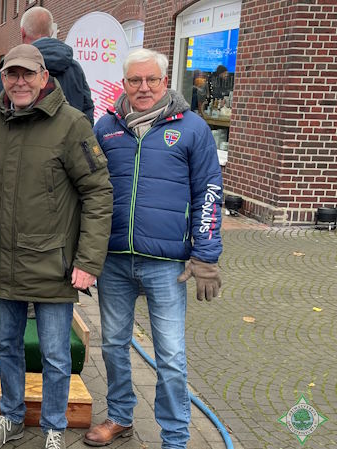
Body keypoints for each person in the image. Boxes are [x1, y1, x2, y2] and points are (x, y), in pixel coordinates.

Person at [0, 44, 113, 449]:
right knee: (7, 348)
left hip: (54, 263)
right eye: (11, 74)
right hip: (2, 259)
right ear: (2, 78)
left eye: (27, 75)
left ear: (43, 78)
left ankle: (54, 426)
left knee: (54, 355)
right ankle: (11, 417)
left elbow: (98, 194)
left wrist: (88, 261)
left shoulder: (72, 125)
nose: (19, 82)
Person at [83, 48, 223, 449]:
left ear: (166, 81)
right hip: (113, 259)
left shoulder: (193, 128)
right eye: (134, 80)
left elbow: (209, 194)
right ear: (123, 82)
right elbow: (89, 193)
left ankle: (176, 437)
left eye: (152, 80)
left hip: (167, 264)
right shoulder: (105, 128)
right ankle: (121, 416)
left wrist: (207, 255)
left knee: (172, 356)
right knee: (112, 345)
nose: (143, 88)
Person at [0, 7, 94, 125]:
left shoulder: (13, 68)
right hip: (70, 139)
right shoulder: (74, 68)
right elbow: (87, 110)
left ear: (23, 32)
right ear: (51, 32)